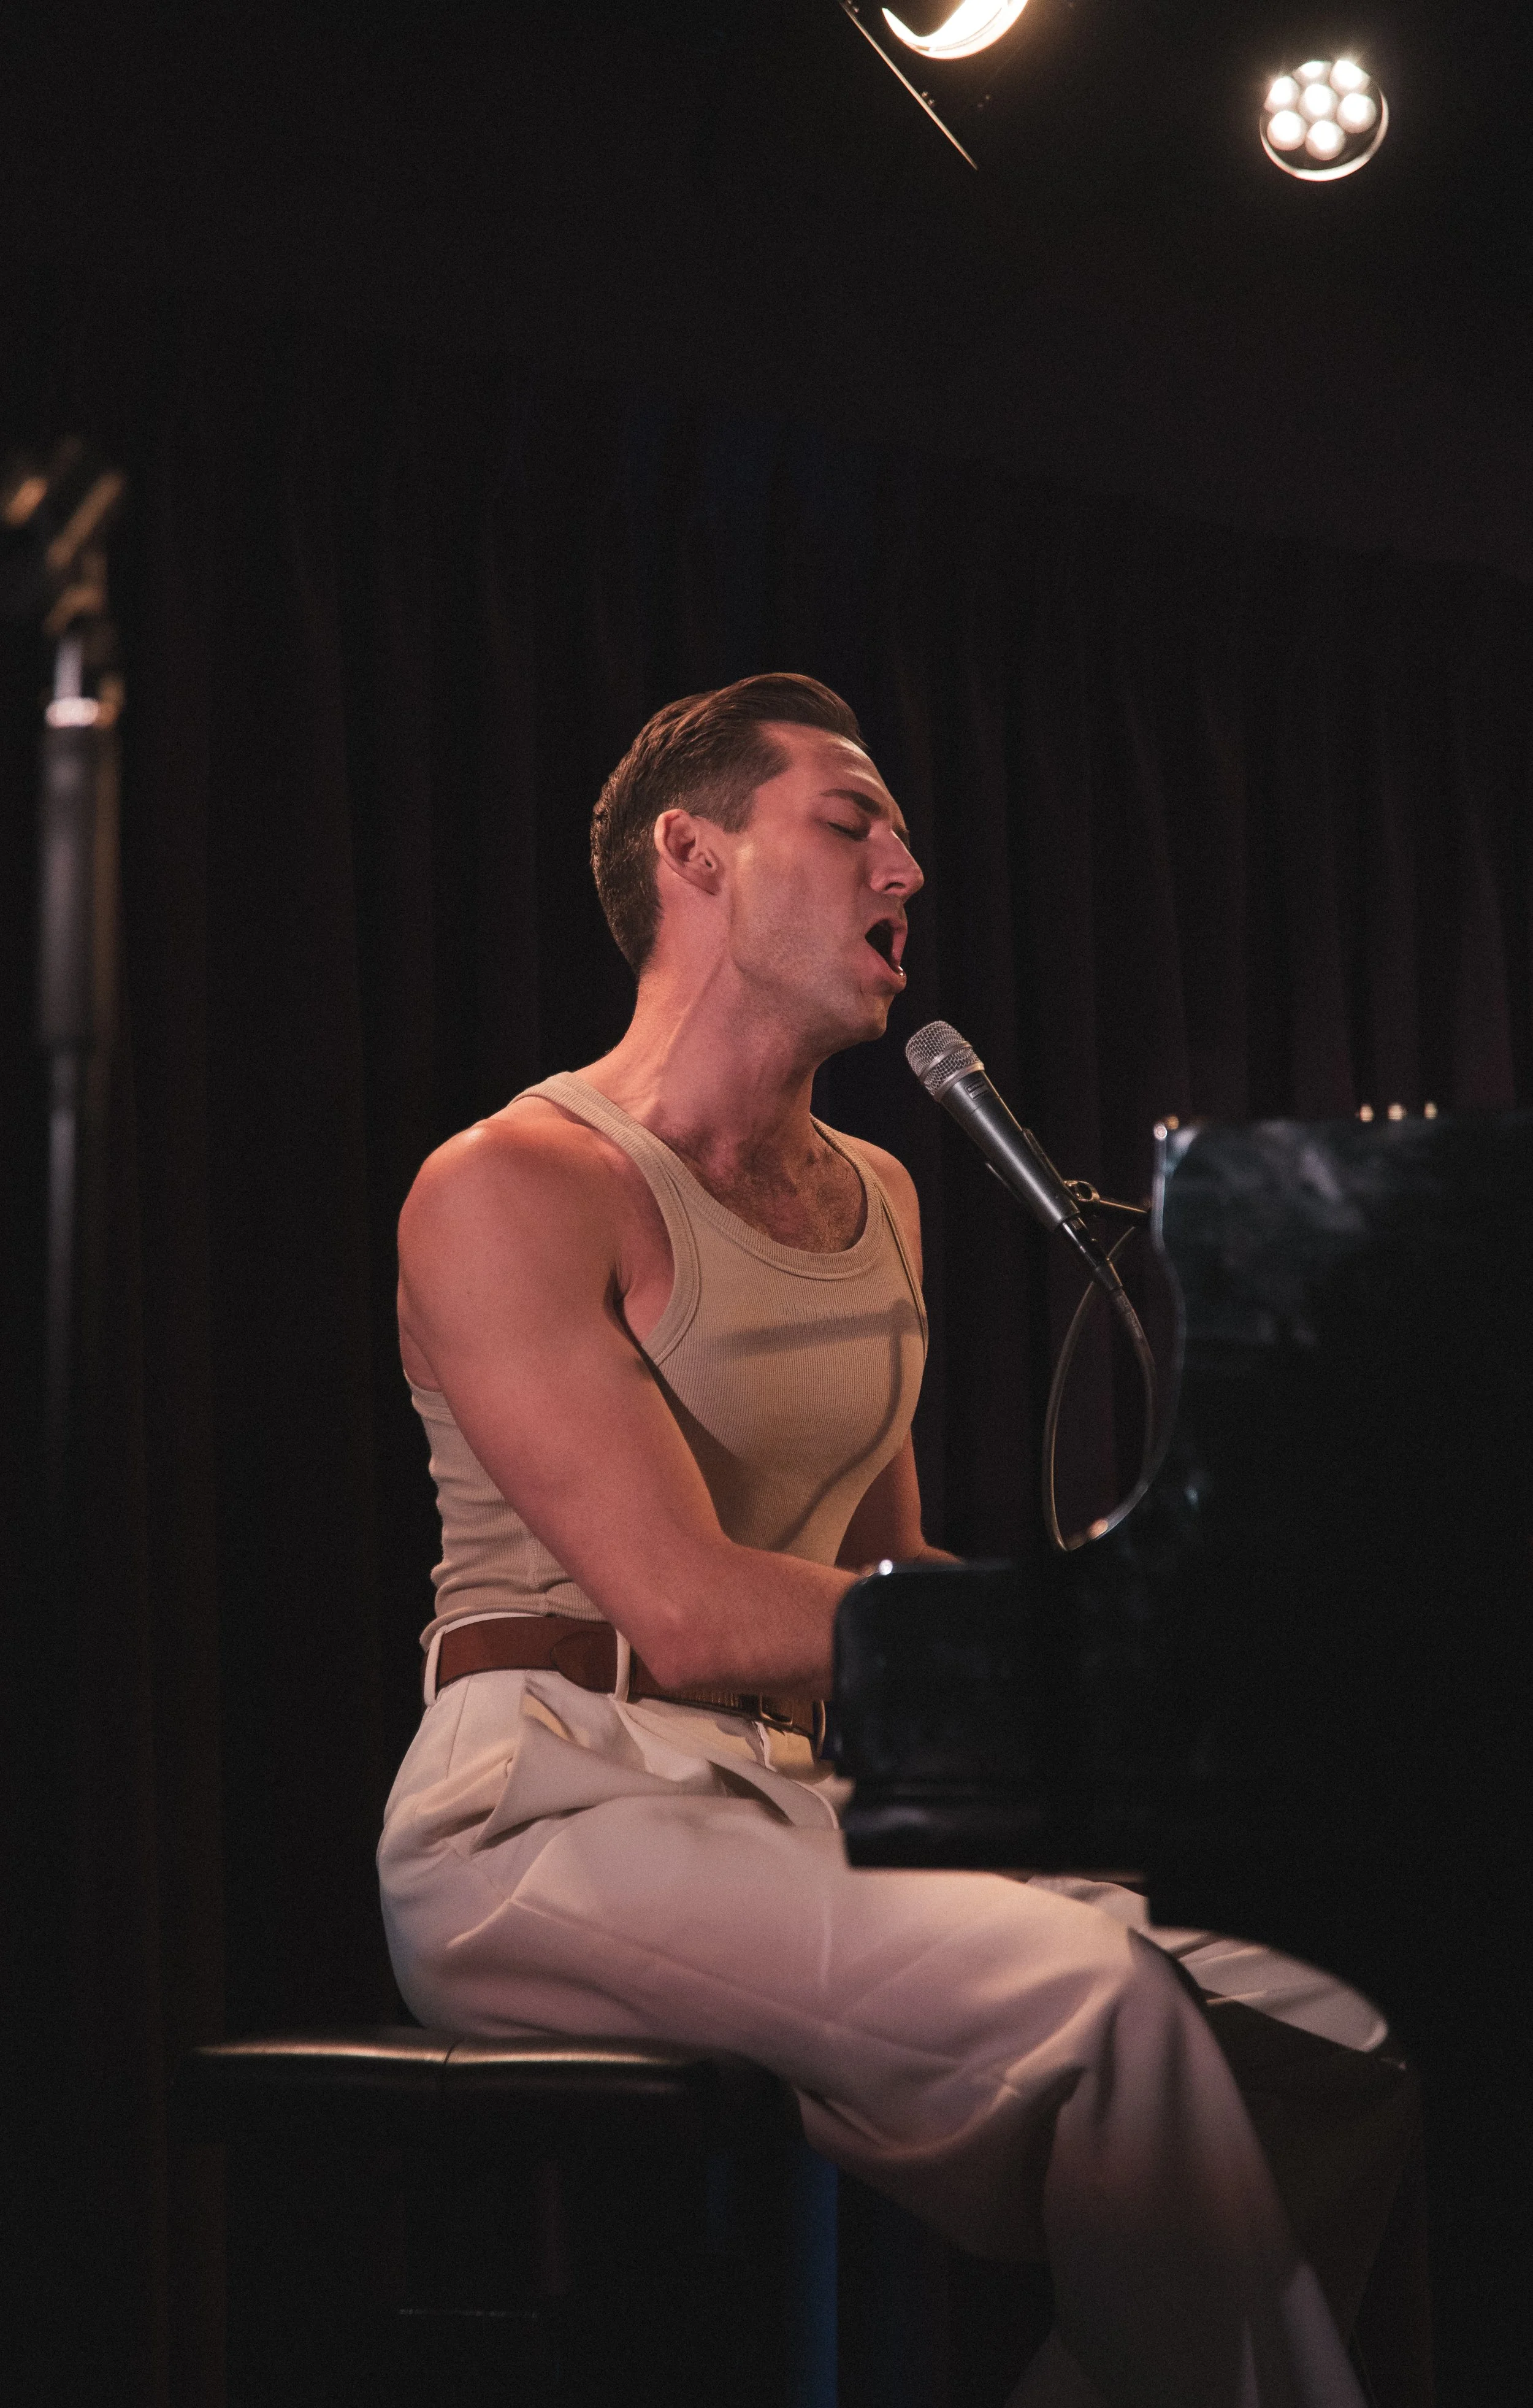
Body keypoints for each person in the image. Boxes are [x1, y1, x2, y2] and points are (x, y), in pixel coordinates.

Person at [378, 674, 1407, 2408]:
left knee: (1328, 2016)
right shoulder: (512, 1182)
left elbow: (882, 1579)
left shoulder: (882, 1193)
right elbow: (695, 1614)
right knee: (1099, 1994)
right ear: (688, 854)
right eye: (852, 821)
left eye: (905, 831)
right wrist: (1079, 1634)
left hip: (802, 1805)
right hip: (543, 1808)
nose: (909, 863)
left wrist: (1168, 1680)